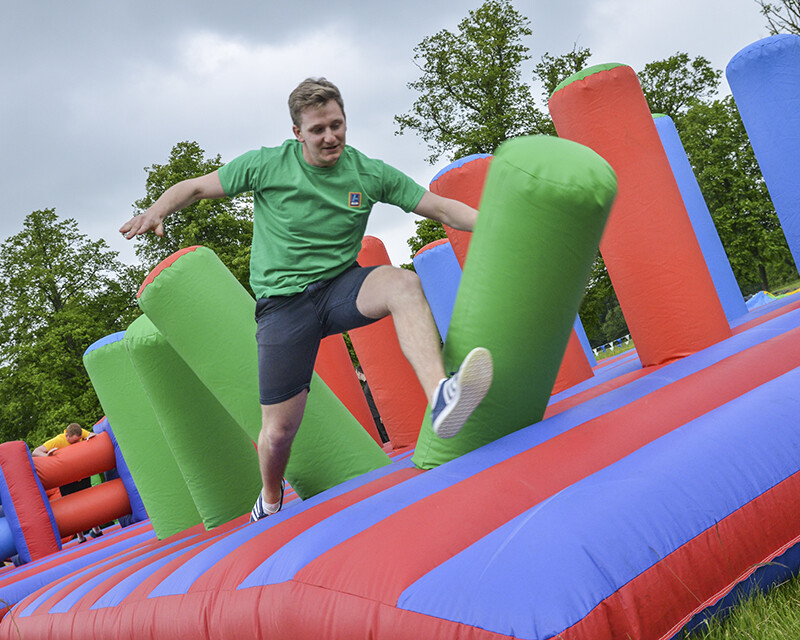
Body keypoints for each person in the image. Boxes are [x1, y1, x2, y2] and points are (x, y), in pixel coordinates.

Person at [120, 77, 493, 522]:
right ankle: (271, 496)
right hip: (283, 306)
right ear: (298, 132)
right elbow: (197, 187)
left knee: (403, 285)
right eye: (318, 130)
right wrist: (158, 209)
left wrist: (495, 220)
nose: (330, 136)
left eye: (337, 125)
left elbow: (441, 208)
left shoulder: (368, 173)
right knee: (279, 433)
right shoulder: (267, 165)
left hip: (341, 286)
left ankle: (440, 395)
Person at [32, 423, 103, 542]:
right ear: (67, 436)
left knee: (89, 502)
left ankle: (96, 529)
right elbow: (36, 452)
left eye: (78, 441)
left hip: (81, 474)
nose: (76, 444)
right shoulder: (58, 440)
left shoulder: (80, 433)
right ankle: (80, 536)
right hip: (66, 479)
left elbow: (93, 435)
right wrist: (47, 457)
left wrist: (90, 438)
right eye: (73, 442)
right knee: (73, 507)